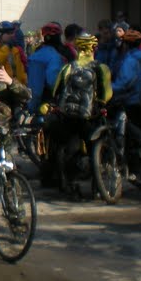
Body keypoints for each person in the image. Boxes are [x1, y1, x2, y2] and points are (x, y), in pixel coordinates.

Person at [44, 32, 113, 191]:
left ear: (76, 48)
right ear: (93, 48)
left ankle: (68, 184)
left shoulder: (68, 67)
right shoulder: (100, 68)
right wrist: (101, 103)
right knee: (96, 147)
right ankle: (97, 186)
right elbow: (107, 94)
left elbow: (56, 91)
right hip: (90, 116)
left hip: (68, 115)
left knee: (67, 147)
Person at [26, 22, 72, 113]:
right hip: (53, 103)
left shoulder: (36, 55)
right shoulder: (60, 55)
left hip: (37, 102)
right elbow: (53, 83)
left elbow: (34, 88)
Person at [110, 29, 141, 108]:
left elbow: (123, 83)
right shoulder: (137, 57)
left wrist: (107, 87)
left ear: (126, 44)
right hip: (135, 98)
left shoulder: (130, 60)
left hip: (127, 101)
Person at [0, 20, 27, 84]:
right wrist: (6, 47)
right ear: (0, 34)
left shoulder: (15, 49)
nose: (12, 35)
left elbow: (21, 69)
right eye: (9, 33)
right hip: (3, 86)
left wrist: (24, 83)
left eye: (12, 32)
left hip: (17, 86)